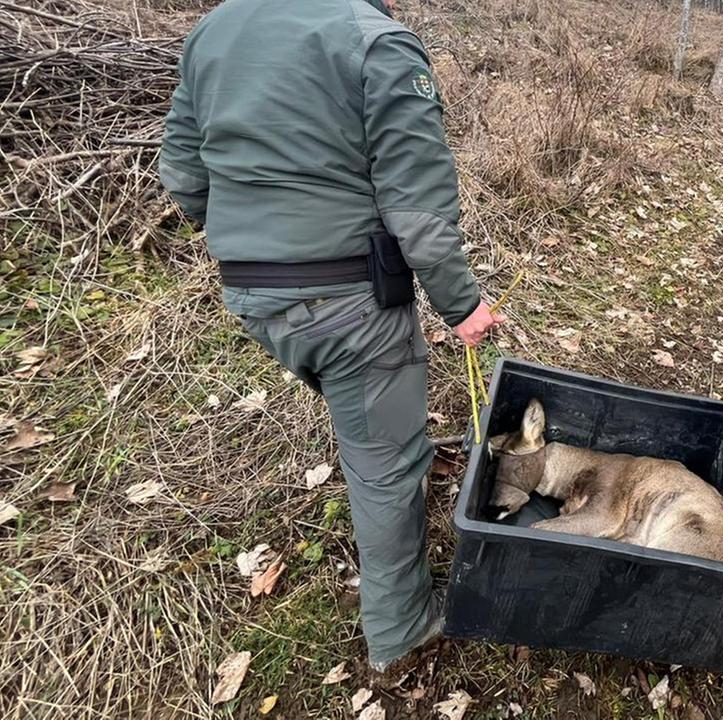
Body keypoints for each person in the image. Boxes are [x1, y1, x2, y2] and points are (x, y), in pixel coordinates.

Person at [159, 0, 503, 674]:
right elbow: (418, 208)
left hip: (253, 295)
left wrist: (253, 244)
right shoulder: (377, 42)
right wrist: (461, 305)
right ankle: (402, 627)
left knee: (366, 415)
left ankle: (386, 434)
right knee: (383, 465)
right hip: (348, 302)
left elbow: (183, 173)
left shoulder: (215, 29)